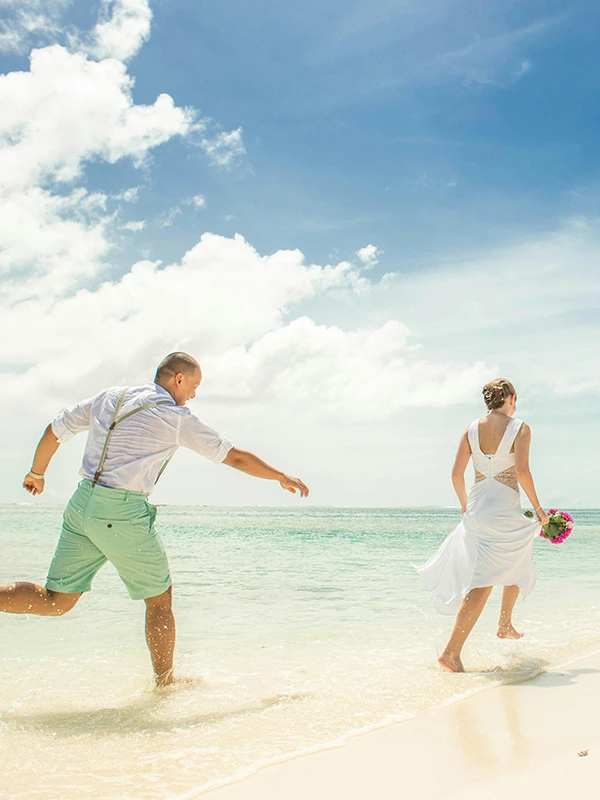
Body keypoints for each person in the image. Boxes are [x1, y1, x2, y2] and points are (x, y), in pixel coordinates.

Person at [0, 352, 309, 686]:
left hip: (81, 504)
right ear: (178, 379)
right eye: (193, 386)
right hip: (120, 513)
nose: (193, 395)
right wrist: (281, 476)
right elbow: (233, 457)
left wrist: (37, 473)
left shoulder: (110, 397)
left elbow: (56, 429)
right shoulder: (175, 417)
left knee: (56, 601)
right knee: (159, 600)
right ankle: (165, 682)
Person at [416, 378, 548, 673]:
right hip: (501, 509)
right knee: (484, 581)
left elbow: (455, 474)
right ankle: (452, 652)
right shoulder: (520, 427)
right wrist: (538, 509)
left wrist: (465, 505)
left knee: (519, 553)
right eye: (516, 399)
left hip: (476, 508)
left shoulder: (471, 429)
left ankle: (504, 624)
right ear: (511, 398)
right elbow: (523, 470)